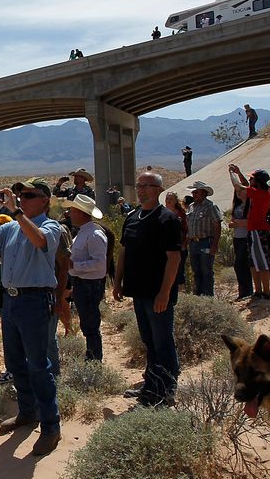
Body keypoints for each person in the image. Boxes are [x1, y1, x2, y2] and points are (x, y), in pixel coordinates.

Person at [0, 177, 65, 456]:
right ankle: (28, 412)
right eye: (20, 195)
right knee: (15, 362)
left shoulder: (51, 226)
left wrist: (16, 211)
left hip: (35, 299)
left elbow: (39, 240)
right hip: (11, 301)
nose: (22, 198)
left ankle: (51, 425)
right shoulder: (11, 227)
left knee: (39, 364)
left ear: (45, 200)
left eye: (29, 195)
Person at [114, 172, 182, 406]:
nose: (141, 190)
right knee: (149, 340)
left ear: (159, 189)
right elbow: (124, 251)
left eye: (147, 186)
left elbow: (173, 258)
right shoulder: (132, 217)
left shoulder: (167, 219)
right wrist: (117, 281)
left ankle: (167, 388)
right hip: (138, 291)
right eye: (139, 185)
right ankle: (151, 384)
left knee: (163, 341)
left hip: (158, 294)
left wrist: (165, 292)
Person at [65, 195, 109, 361]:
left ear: (81, 213)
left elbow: (99, 263)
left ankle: (94, 359)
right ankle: (92, 356)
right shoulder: (85, 232)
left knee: (90, 325)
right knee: (87, 323)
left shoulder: (94, 234)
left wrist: (74, 266)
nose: (69, 213)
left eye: (73, 210)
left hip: (90, 285)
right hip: (84, 283)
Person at [229, 165, 270, 300]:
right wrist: (239, 172)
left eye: (253, 179)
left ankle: (266, 292)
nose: (250, 180)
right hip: (252, 231)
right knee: (253, 262)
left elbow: (239, 186)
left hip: (258, 230)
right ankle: (258, 291)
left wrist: (232, 174)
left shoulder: (261, 194)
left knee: (262, 263)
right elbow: (245, 185)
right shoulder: (258, 192)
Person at [185, 181, 222, 296]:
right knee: (196, 270)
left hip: (205, 242)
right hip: (193, 243)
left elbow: (217, 225)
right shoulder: (191, 207)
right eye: (193, 192)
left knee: (206, 270)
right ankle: (198, 294)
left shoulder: (211, 206)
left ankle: (208, 296)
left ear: (204, 193)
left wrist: (215, 244)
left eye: (196, 192)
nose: (194, 194)